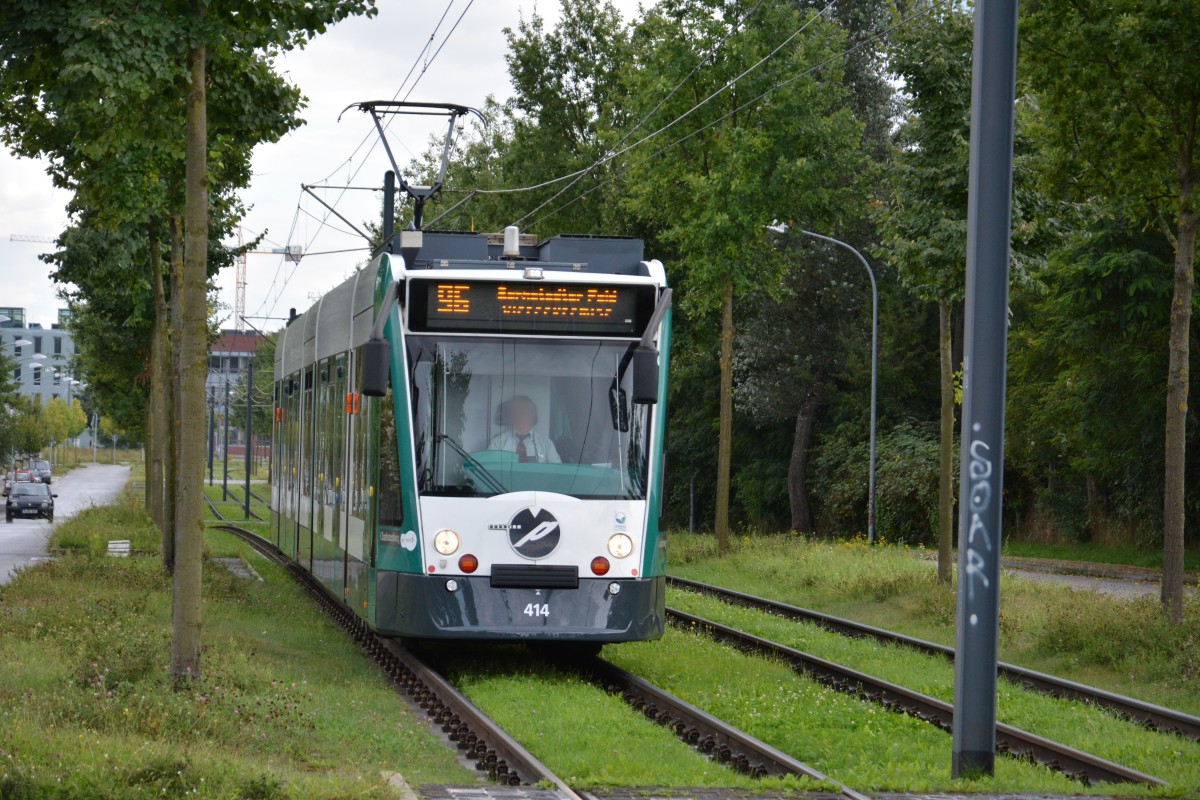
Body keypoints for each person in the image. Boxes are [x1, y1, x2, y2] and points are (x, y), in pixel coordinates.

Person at [490, 395, 561, 463]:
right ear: (511, 415)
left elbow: (558, 472)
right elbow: (488, 470)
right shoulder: (498, 443)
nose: (522, 415)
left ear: (533, 415)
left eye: (526, 411)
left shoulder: (546, 444)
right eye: (517, 411)